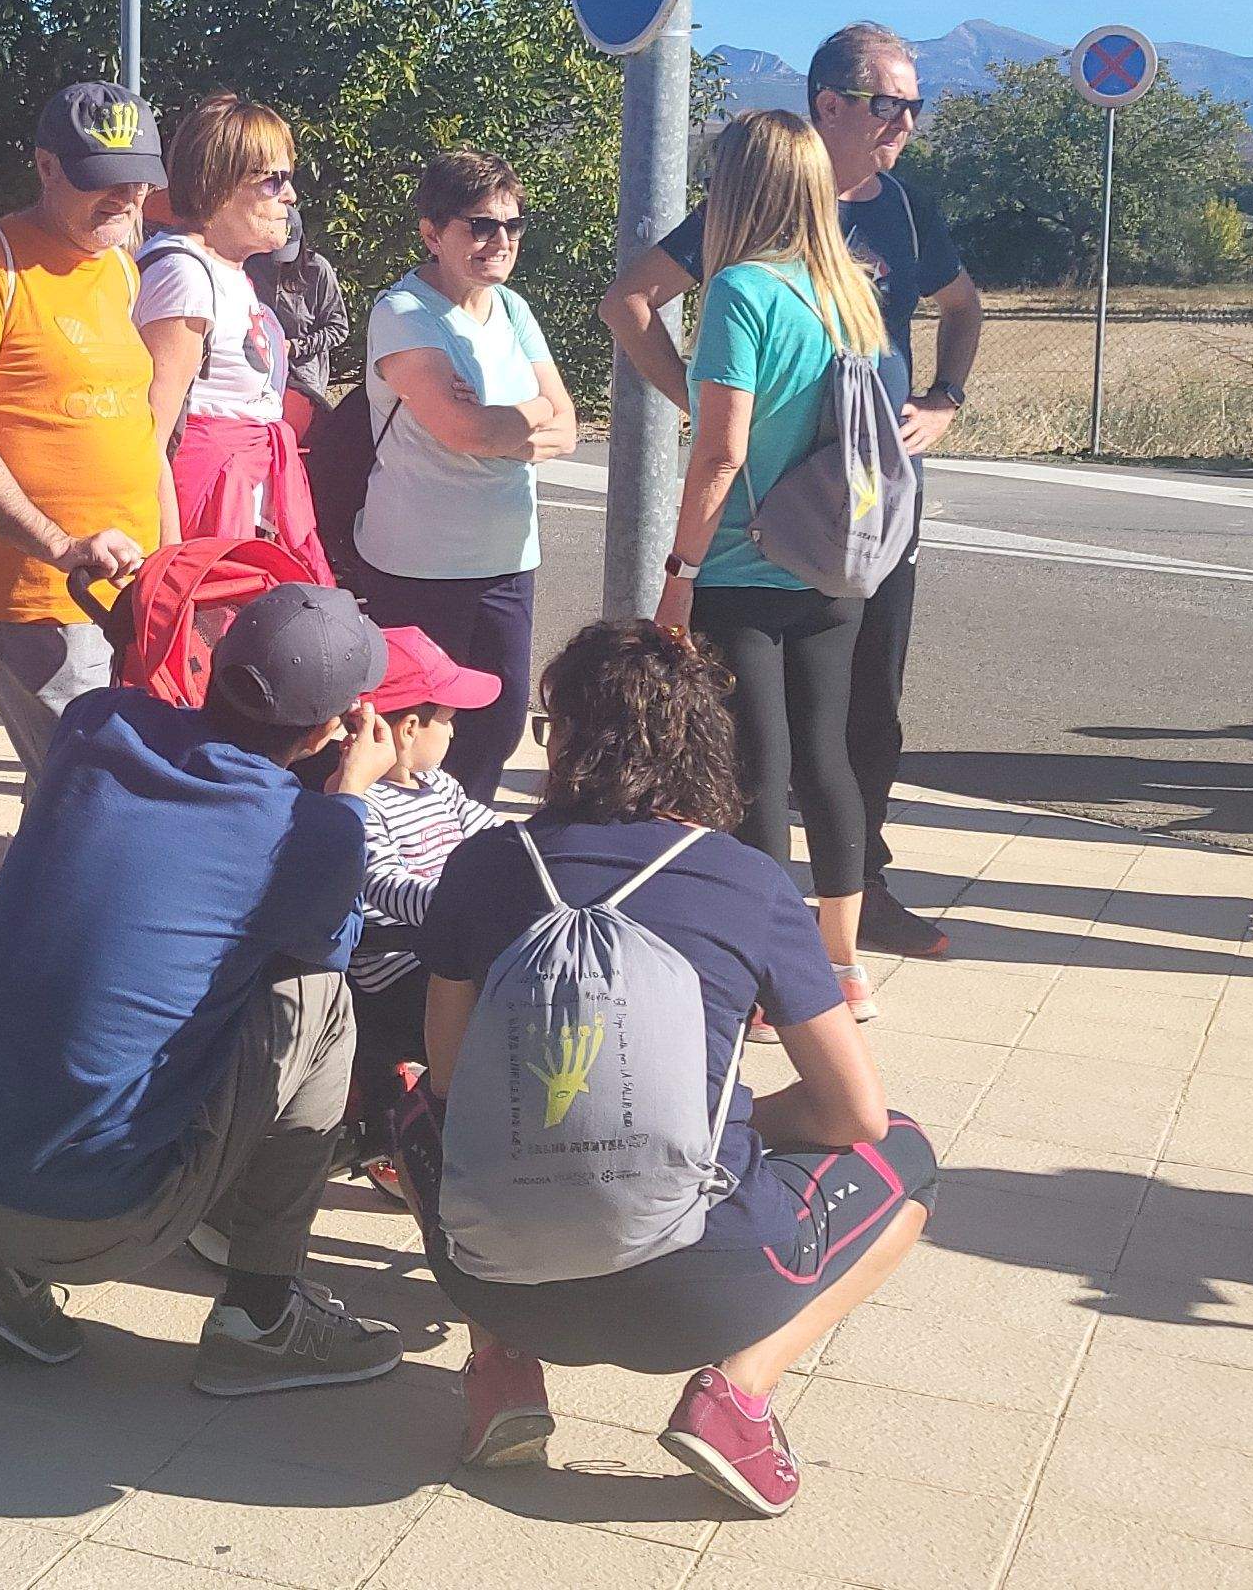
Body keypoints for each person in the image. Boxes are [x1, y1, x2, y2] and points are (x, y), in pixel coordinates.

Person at [406, 620, 935, 1509]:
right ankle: (737, 1393)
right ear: (701, 744)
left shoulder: (482, 864)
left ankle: (499, 1366)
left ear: (565, 736)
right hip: (708, 1292)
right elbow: (856, 1117)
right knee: (908, 1159)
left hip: (498, 1280)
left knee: (416, 1110)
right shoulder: (747, 881)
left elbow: (456, 1081)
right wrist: (734, 1120)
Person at [0, 581, 409, 1396]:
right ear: (329, 730)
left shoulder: (98, 726)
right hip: (94, 1224)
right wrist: (348, 799)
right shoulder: (312, 832)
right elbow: (322, 948)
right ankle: (262, 1314)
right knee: (318, 1002)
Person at [601, 23, 985, 958]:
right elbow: (629, 302)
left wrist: (944, 400)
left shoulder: (898, 211)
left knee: (858, 714)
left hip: (870, 501)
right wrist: (702, 399)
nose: (908, 123)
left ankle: (849, 903)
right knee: (799, 740)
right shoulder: (765, 241)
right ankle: (825, 949)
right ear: (830, 109)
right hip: (790, 515)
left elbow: (964, 306)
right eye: (893, 104)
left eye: (915, 105)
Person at [652, 112, 893, 997]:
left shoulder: (741, 293)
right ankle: (842, 963)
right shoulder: (851, 293)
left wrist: (678, 575)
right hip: (834, 560)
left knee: (759, 769)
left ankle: (767, 976)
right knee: (825, 759)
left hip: (744, 567)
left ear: (736, 188)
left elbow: (721, 450)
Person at [0, 82, 169, 781]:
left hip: (127, 583)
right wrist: (60, 546)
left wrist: (172, 559)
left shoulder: (120, 267)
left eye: (138, 181)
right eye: (103, 181)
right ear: (46, 167)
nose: (123, 198)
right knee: (96, 786)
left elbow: (142, 423)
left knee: (79, 793)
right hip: (36, 587)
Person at [346, 148, 571, 804]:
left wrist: (503, 425)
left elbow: (566, 421)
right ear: (431, 233)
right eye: (479, 225)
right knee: (408, 739)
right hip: (418, 563)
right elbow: (461, 429)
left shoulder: (513, 311)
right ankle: (396, 874)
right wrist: (521, 423)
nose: (500, 241)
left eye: (513, 226)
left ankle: (459, 857)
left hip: (507, 561)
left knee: (496, 730)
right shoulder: (404, 314)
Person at [140, 94, 323, 578]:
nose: (290, 196)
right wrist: (170, 571)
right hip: (198, 519)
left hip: (233, 510)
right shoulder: (184, 274)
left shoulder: (224, 270)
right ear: (219, 184)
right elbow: (147, 439)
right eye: (273, 179)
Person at [348, 627, 505, 1095]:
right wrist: (460, 906)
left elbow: (495, 832)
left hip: (450, 944)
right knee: (499, 1023)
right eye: (448, 719)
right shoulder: (359, 800)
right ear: (410, 728)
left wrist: (548, 847)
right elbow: (379, 883)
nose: (455, 730)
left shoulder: (438, 784)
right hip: (399, 967)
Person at [245, 213, 348, 402]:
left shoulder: (318, 270)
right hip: (259, 372)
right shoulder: (251, 264)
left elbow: (338, 329)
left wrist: (296, 347)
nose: (279, 262)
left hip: (303, 377)